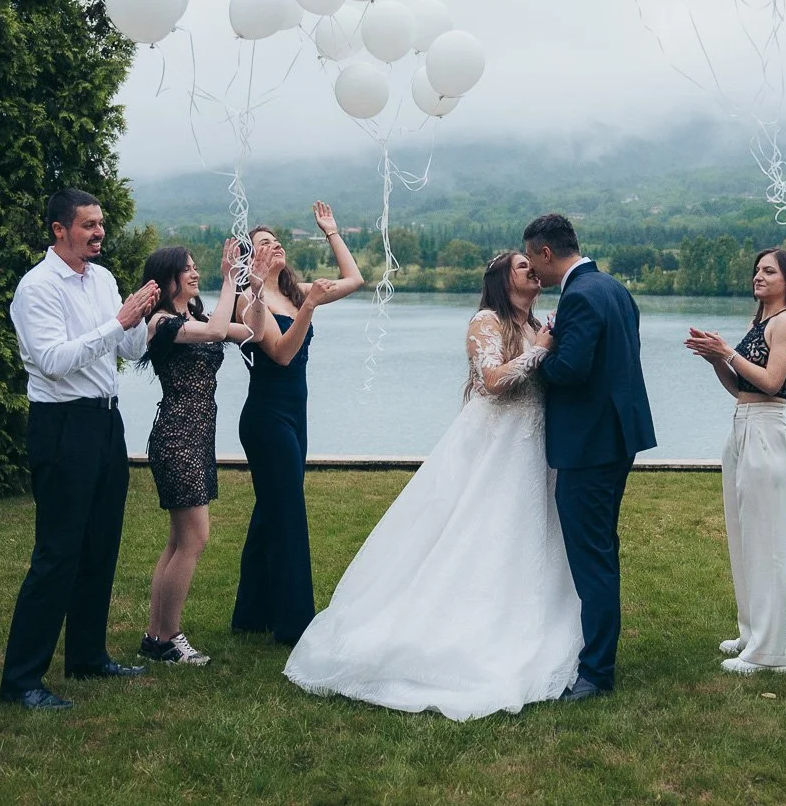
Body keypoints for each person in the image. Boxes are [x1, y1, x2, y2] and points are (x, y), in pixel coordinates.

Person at [284, 251, 583, 719]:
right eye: (522, 267)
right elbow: (490, 381)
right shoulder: (486, 321)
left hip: (530, 451)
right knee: (475, 534)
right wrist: (541, 350)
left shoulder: (533, 326)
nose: (532, 272)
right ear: (503, 281)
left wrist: (544, 342)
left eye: (531, 265)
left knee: (524, 538)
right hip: (493, 446)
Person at [0, 189, 159, 710]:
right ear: (58, 230)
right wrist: (119, 322)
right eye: (88, 224)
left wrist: (144, 320)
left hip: (106, 423)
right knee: (58, 552)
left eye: (101, 224)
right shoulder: (36, 288)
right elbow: (52, 360)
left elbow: (125, 349)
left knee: (100, 545)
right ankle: (21, 681)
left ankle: (87, 657)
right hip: (62, 425)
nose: (99, 232)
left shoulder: (105, 279)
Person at [523, 212, 657, 700]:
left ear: (545, 252)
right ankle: (593, 651)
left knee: (593, 556)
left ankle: (597, 671)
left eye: (534, 263)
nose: (535, 276)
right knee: (601, 548)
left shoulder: (579, 296)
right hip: (615, 437)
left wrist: (540, 355)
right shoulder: (614, 288)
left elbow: (571, 370)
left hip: (589, 445)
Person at [230, 203, 363, 646]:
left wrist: (331, 232)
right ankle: (294, 625)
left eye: (276, 239)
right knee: (287, 515)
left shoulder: (292, 289)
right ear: (252, 258)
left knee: (271, 511)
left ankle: (251, 614)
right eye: (264, 243)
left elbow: (354, 280)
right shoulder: (250, 301)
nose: (275, 245)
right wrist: (308, 305)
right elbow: (283, 354)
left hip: (295, 414)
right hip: (266, 418)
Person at [684, 248, 786, 675]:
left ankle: (771, 651)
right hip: (741, 423)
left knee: (767, 541)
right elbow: (739, 385)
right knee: (743, 535)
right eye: (757, 269)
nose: (758, 276)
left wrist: (728, 351)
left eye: (768, 271)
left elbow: (773, 383)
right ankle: (752, 632)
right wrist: (716, 359)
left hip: (766, 428)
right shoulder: (758, 322)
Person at [137, 238, 254, 668]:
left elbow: (248, 331)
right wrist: (228, 280)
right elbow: (220, 332)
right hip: (177, 439)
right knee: (195, 539)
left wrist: (253, 285)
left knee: (177, 541)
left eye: (195, 266)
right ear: (166, 278)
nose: (194, 272)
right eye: (185, 268)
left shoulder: (196, 316)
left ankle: (155, 636)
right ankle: (169, 637)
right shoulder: (162, 323)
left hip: (197, 439)